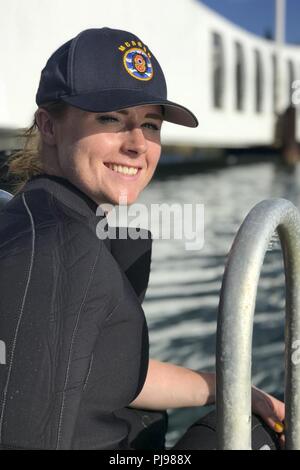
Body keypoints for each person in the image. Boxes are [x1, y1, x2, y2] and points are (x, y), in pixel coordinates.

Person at [0, 27, 285, 450]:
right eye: (111, 118)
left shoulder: (57, 217)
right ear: (49, 126)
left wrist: (230, 388)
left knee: (249, 416)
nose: (138, 145)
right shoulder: (56, 250)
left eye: (150, 124)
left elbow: (100, 373)